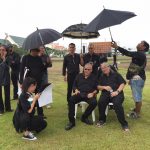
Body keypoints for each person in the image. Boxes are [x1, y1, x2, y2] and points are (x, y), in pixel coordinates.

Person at [111, 41, 149, 118]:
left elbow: (127, 53)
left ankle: (136, 114)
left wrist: (117, 47)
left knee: (137, 97)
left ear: (144, 47)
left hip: (137, 79)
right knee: (137, 95)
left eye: (141, 43)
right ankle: (136, 109)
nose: (138, 43)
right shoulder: (140, 54)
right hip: (136, 78)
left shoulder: (140, 54)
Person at [97, 62, 129, 131]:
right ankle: (102, 120)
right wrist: (104, 87)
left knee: (117, 104)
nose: (103, 69)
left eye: (105, 67)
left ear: (109, 67)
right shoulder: (101, 76)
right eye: (102, 68)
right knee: (101, 102)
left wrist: (117, 92)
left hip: (117, 93)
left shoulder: (116, 74)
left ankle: (124, 124)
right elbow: (98, 87)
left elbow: (122, 84)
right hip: (105, 93)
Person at [65, 63, 98, 130]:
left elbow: (97, 89)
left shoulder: (94, 77)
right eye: (85, 69)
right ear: (83, 69)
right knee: (70, 100)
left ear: (91, 70)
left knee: (94, 102)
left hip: (89, 95)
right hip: (79, 94)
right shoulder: (79, 76)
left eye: (89, 69)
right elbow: (74, 85)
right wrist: (76, 90)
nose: (87, 71)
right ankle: (71, 122)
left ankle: (84, 117)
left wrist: (92, 93)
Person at [19, 48, 45, 118]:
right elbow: (21, 70)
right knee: (27, 97)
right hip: (28, 82)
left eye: (37, 51)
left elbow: (43, 68)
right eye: (35, 51)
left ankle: (40, 114)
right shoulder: (25, 58)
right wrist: (21, 82)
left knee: (39, 96)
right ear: (31, 51)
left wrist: (48, 63)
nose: (36, 53)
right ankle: (26, 113)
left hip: (38, 81)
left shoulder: (39, 58)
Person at [0, 45, 13, 115]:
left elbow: (6, 67)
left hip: (6, 77)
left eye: (3, 50)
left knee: (7, 93)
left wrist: (4, 58)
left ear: (6, 51)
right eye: (0, 50)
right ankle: (1, 109)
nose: (1, 51)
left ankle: (8, 108)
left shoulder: (9, 58)